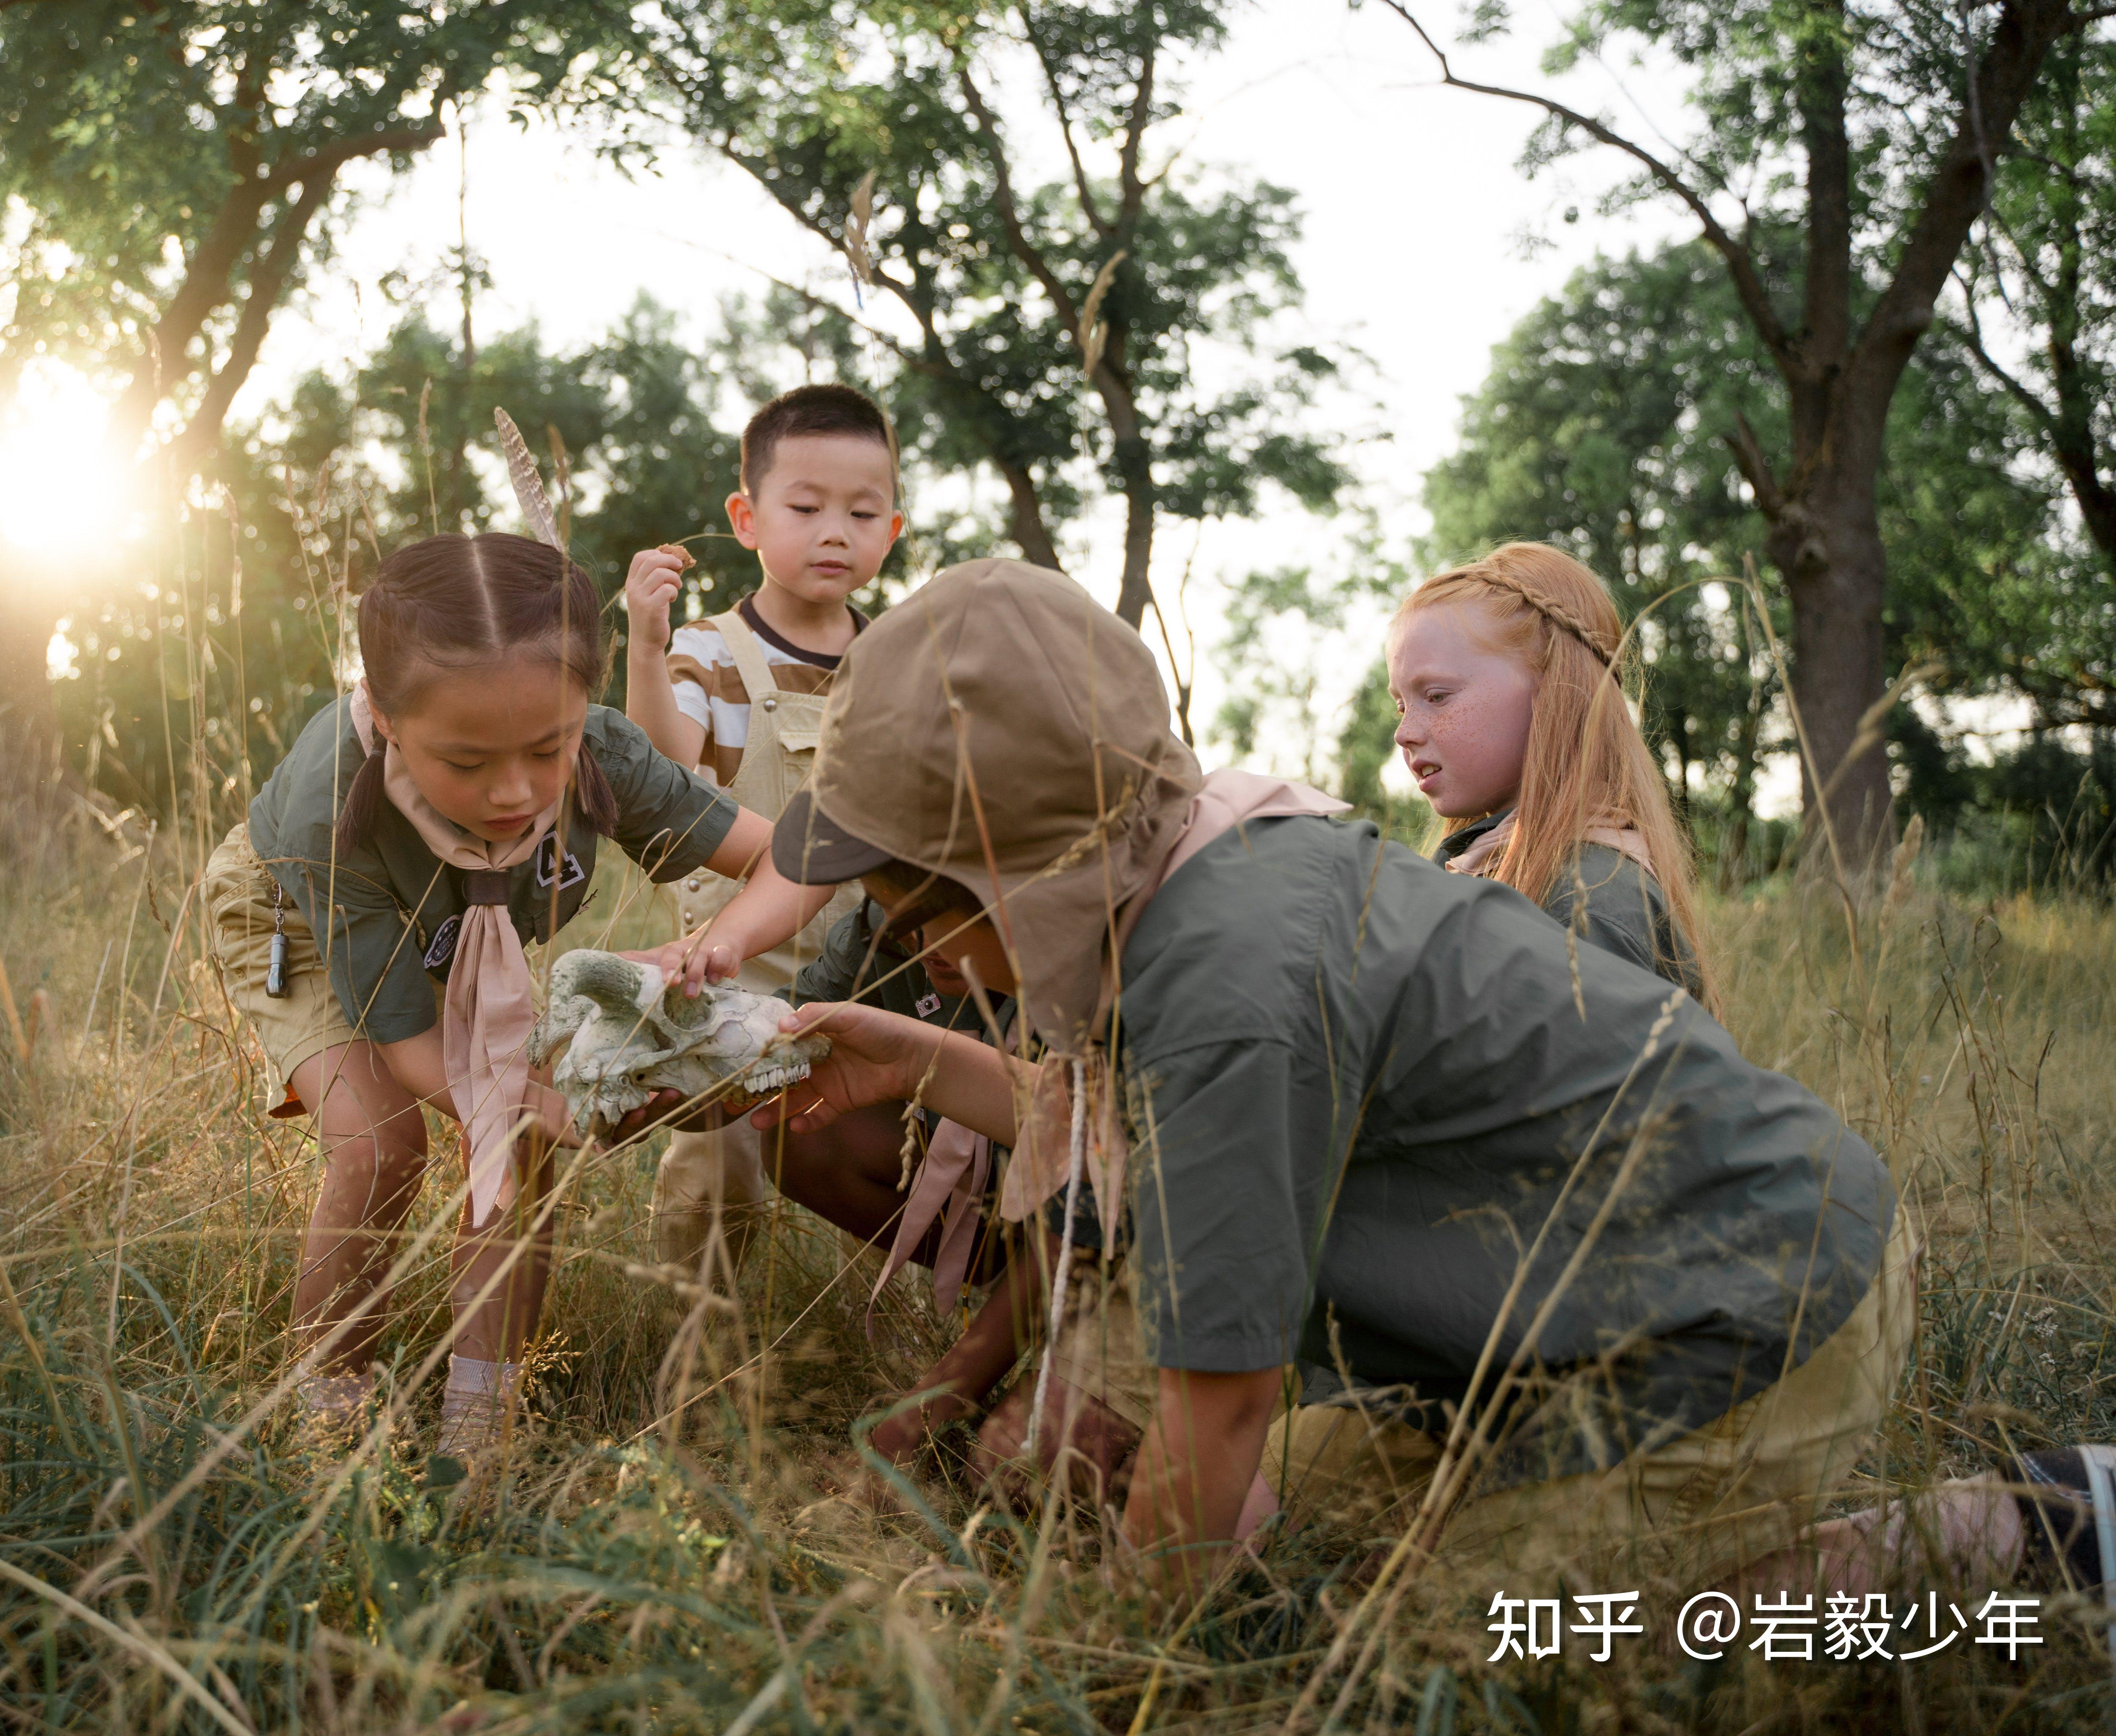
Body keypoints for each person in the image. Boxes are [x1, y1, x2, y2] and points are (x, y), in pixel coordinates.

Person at [741, 557, 2084, 1606]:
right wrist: (921, 1056)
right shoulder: (1200, 875)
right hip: (1548, 1321)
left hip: (1748, 1304)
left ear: (1005, 875)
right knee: (1306, 1521)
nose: (910, 941)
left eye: (912, 904)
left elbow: (1216, 1407)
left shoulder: (1226, 988)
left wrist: (1126, 1665)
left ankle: (2025, 1526)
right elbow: (1155, 1139)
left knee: (1476, 1651)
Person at [201, 531, 831, 1456]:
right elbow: (412, 1042)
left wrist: (716, 940)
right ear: (380, 712)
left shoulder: (604, 754)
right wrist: (562, 1103)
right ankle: (330, 1418)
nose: (515, 790)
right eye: (464, 761)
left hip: (455, 926)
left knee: (517, 1145)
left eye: (550, 748)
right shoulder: (328, 808)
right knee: (383, 1141)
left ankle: (483, 1419)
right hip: (292, 917)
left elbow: (796, 860)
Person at [619, 383, 898, 1274]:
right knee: (718, 1161)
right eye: (806, 507)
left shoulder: (896, 659)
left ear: (893, 530)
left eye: (862, 512)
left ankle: (864, 1319)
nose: (834, 532)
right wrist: (645, 647)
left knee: (884, 1138)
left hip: (865, 962)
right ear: (747, 518)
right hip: (738, 962)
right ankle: (699, 1329)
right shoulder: (709, 650)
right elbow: (666, 769)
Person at [1388, 542, 1710, 999]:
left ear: (1556, 693)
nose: (1404, 733)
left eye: (1437, 696)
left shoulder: (1587, 902)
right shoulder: (1488, 863)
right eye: (1400, 705)